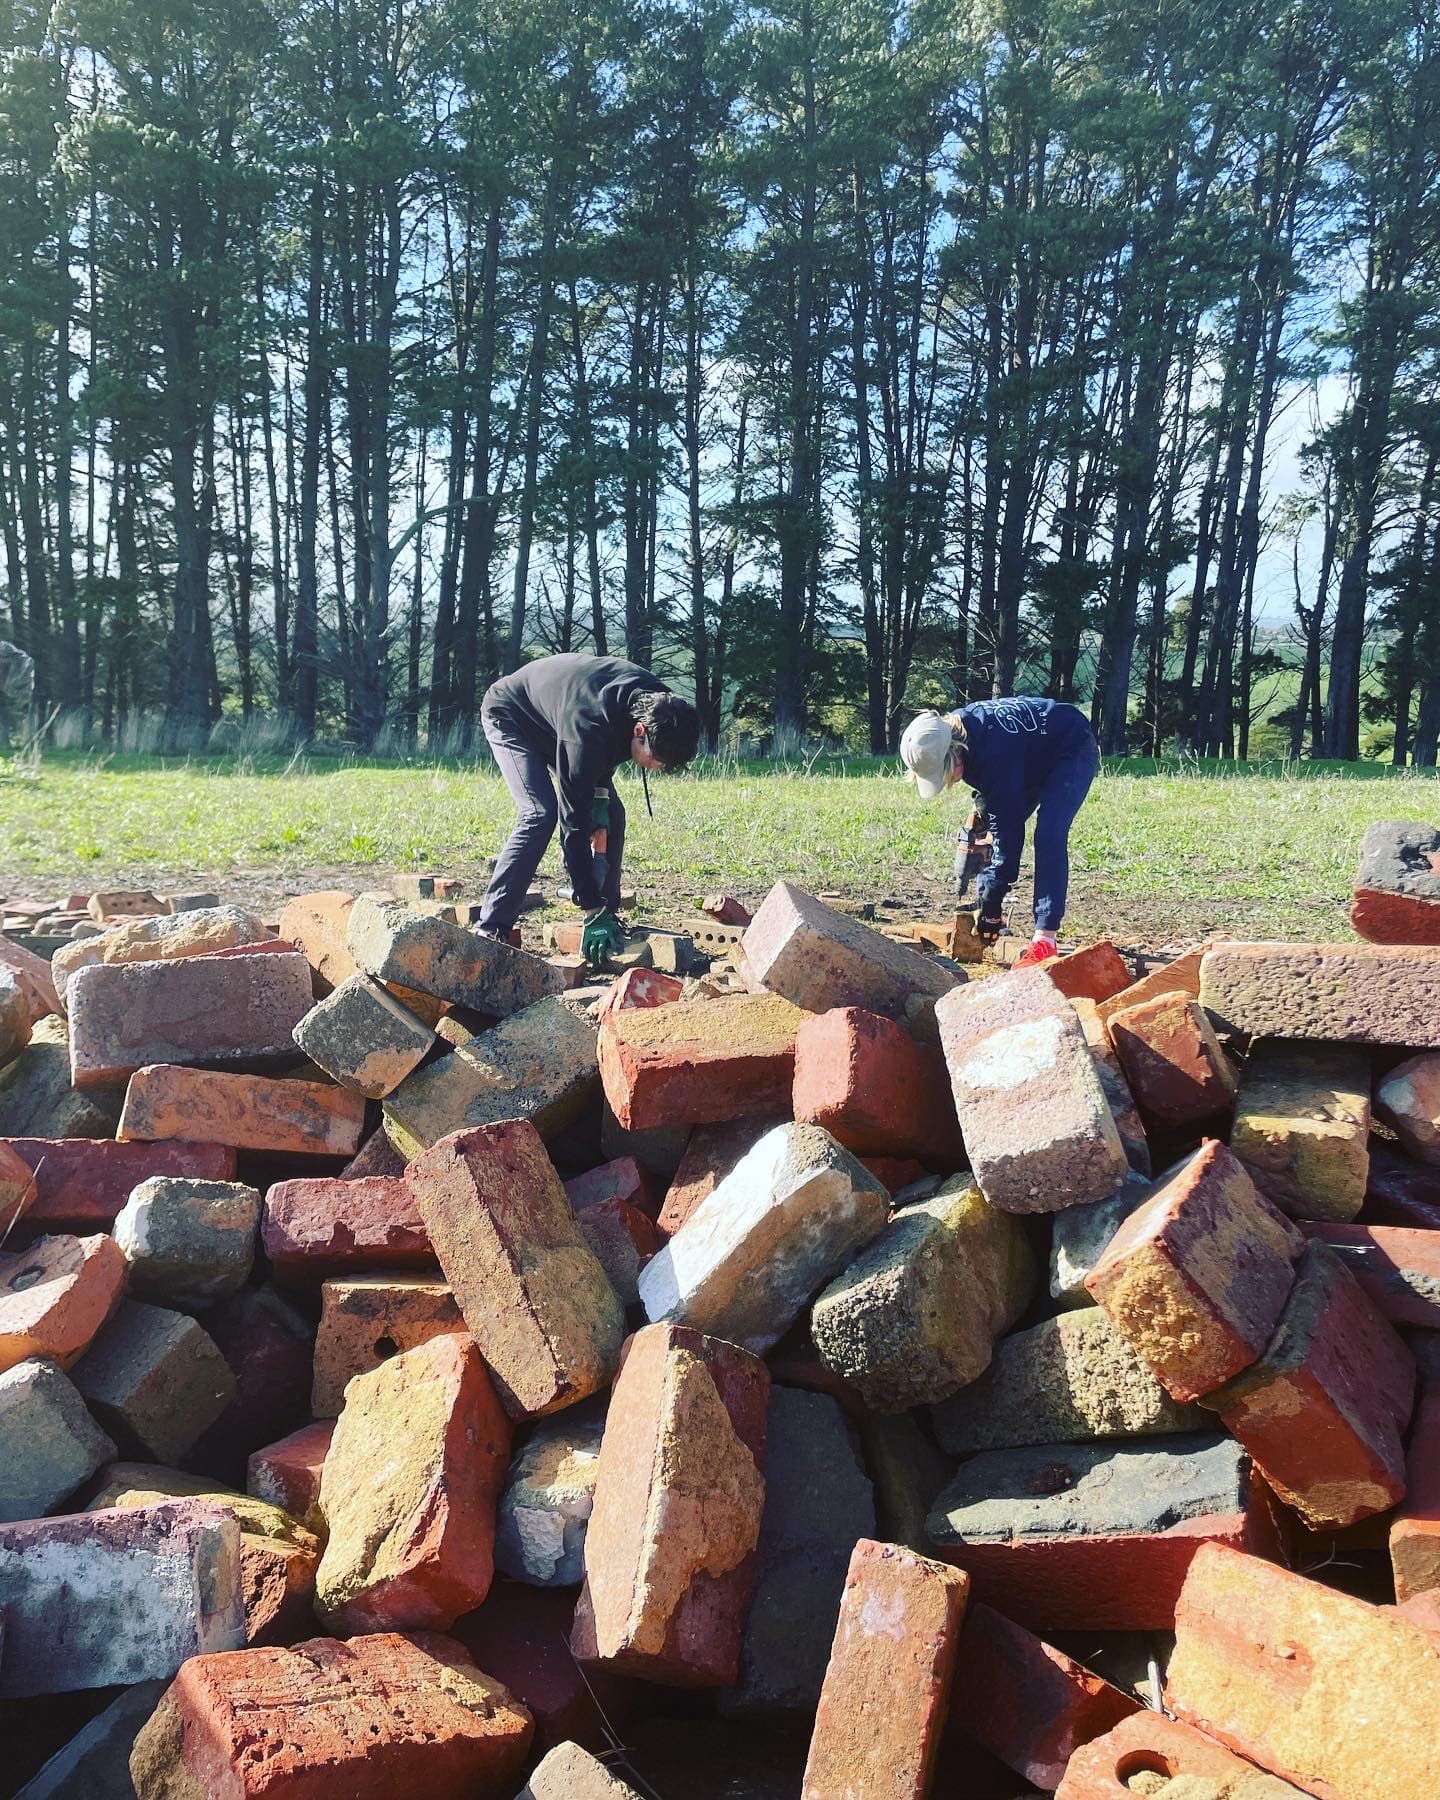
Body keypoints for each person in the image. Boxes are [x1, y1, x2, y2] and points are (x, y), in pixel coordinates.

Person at [478, 653, 701, 964]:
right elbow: (573, 827)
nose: (658, 768)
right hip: (512, 714)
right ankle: (491, 928)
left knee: (613, 815)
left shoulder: (664, 708)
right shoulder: (587, 730)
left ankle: (609, 915)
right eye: (656, 759)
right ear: (640, 732)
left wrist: (599, 796)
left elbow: (608, 748)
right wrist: (588, 904)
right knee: (540, 813)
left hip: (562, 717)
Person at [899, 695, 1100, 967]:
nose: (949, 781)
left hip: (1070, 748)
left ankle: (1045, 940)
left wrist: (992, 902)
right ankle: (985, 906)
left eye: (945, 773)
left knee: (1049, 834)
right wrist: (988, 900)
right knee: (988, 824)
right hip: (1026, 757)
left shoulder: (993, 755)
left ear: (955, 752)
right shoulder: (960, 728)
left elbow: (1009, 840)